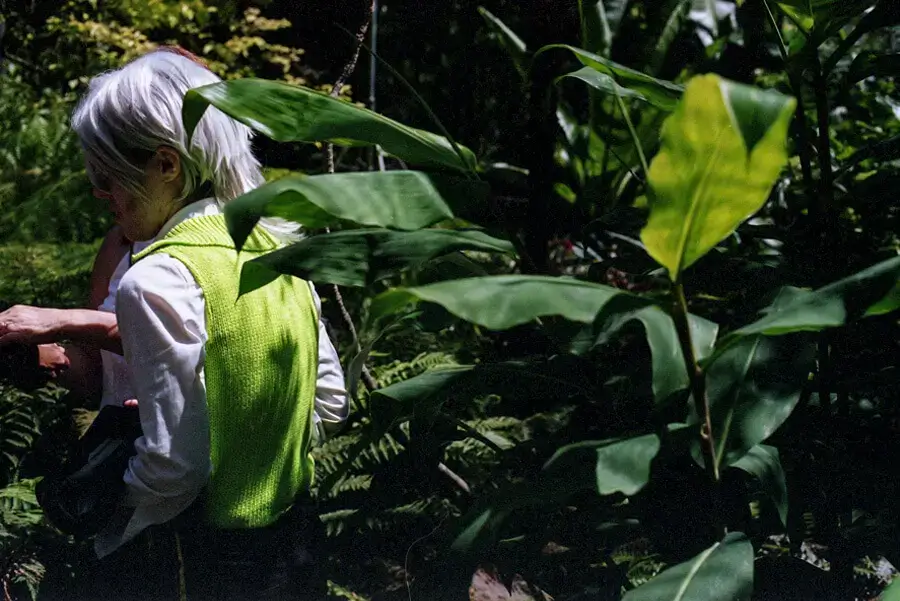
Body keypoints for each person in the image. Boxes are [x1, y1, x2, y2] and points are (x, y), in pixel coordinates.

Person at [0, 47, 348, 600]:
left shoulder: (157, 279)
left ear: (166, 165)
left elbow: (175, 468)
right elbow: (329, 401)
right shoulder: (279, 253)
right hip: (293, 547)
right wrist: (249, 443)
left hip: (198, 561)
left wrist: (112, 514)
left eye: (107, 177)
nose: (100, 194)